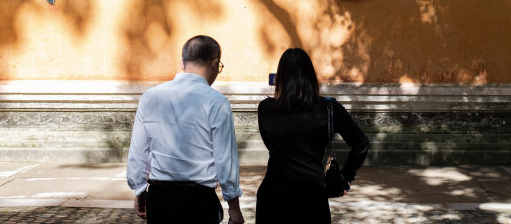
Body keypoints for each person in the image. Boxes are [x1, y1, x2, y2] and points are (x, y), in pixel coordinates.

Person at [126, 35, 245, 224]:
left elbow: (139, 153)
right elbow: (225, 159)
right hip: (199, 200)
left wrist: (140, 193)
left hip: (159, 198)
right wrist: (234, 208)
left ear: (182, 63)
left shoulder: (150, 97)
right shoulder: (216, 102)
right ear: (214, 63)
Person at [256, 48, 369, 224]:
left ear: (280, 77)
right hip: (312, 194)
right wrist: (345, 176)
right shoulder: (329, 108)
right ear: (310, 76)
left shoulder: (266, 108)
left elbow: (270, 144)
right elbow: (361, 143)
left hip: (273, 194)